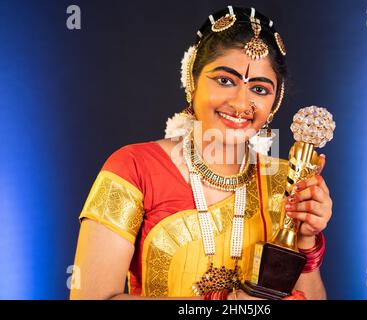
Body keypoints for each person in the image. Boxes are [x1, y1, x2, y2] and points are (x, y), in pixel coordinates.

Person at [70, 6, 333, 300]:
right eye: (225, 81)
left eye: (259, 89)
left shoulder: (285, 182)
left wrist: (306, 237)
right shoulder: (134, 168)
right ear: (192, 80)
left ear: (275, 101)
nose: (240, 103)